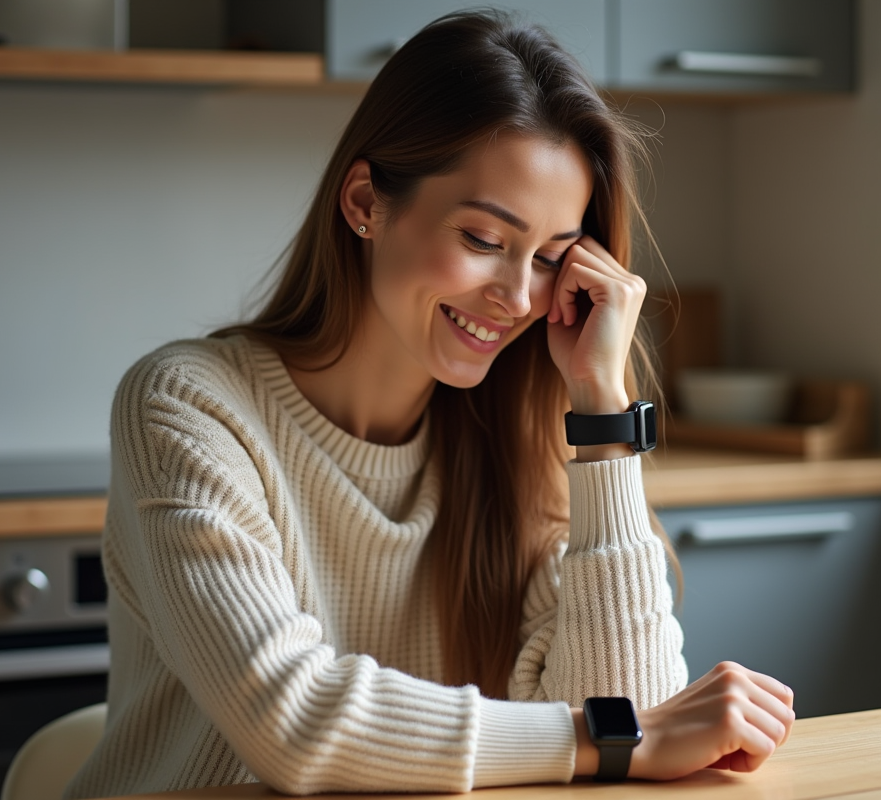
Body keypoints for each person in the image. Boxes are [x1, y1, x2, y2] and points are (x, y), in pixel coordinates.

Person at [64, 10, 794, 799]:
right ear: (364, 204)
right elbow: (296, 722)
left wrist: (605, 413)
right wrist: (615, 735)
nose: (518, 297)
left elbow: (630, 732)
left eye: (552, 259)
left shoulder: (526, 442)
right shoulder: (189, 406)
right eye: (483, 239)